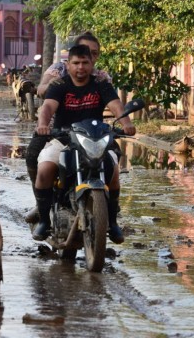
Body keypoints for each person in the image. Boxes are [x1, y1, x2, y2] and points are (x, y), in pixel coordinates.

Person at [31, 44, 136, 244]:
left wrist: (127, 123)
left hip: (95, 138)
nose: (81, 67)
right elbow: (47, 107)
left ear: (92, 63)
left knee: (113, 173)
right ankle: (44, 221)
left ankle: (112, 222)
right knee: (44, 170)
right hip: (64, 138)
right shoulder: (59, 85)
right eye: (76, 63)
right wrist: (43, 125)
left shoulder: (101, 83)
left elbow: (115, 105)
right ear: (68, 65)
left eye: (85, 63)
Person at [24, 32, 111, 221]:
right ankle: (42, 204)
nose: (88, 59)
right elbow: (40, 90)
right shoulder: (58, 71)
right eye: (85, 52)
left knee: (112, 160)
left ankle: (110, 213)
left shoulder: (101, 77)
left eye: (94, 54)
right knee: (34, 158)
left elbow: (112, 101)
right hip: (55, 130)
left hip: (91, 132)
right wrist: (52, 87)